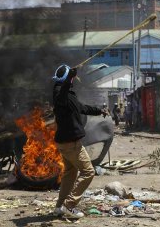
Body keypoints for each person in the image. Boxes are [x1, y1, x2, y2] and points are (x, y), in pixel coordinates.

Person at [52, 64, 108, 218]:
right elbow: (62, 93)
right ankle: (69, 206)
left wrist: (99, 110)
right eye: (72, 78)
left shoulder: (68, 96)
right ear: (67, 80)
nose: (75, 79)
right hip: (71, 143)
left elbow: (82, 108)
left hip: (65, 142)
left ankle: (59, 207)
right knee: (88, 172)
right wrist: (70, 75)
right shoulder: (60, 95)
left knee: (70, 173)